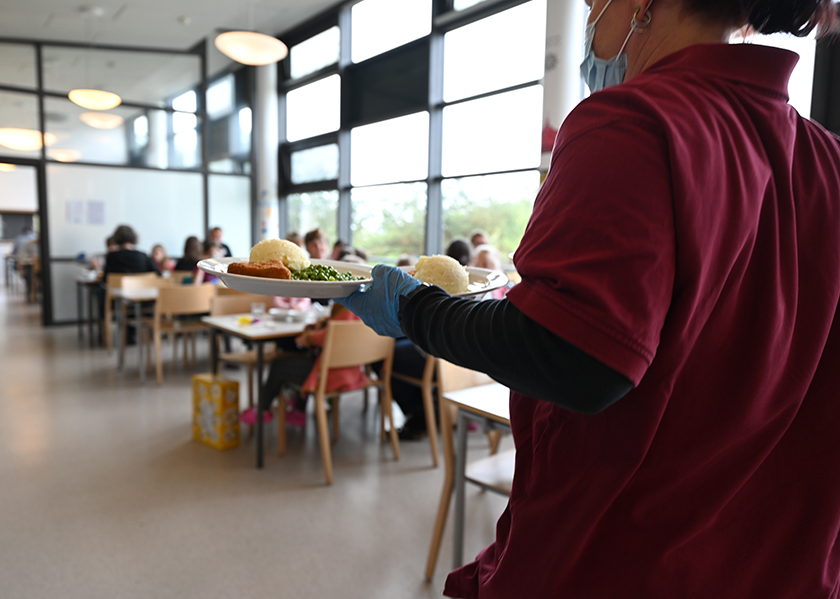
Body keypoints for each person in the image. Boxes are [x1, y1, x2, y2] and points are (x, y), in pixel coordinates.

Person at [336, 0, 840, 596]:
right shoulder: (827, 160)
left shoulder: (633, 121)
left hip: (623, 560)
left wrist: (416, 311)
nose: (591, 15)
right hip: (783, 568)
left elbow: (577, 358)